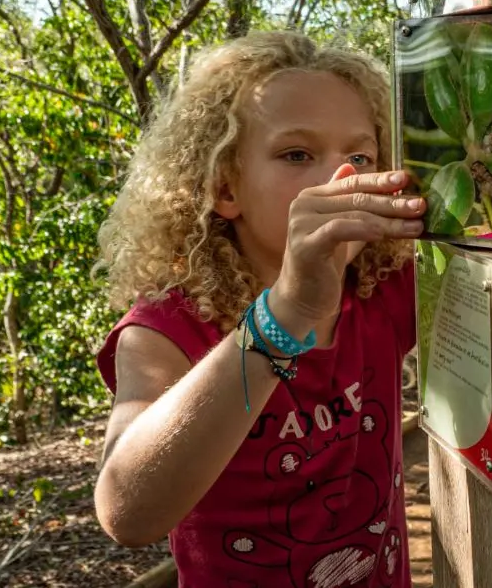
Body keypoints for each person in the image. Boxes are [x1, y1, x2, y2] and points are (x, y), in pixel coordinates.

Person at [92, 31, 426, 587]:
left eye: (360, 156)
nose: (339, 179)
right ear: (226, 187)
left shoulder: (383, 292)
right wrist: (287, 311)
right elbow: (128, 512)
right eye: (297, 154)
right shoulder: (164, 332)